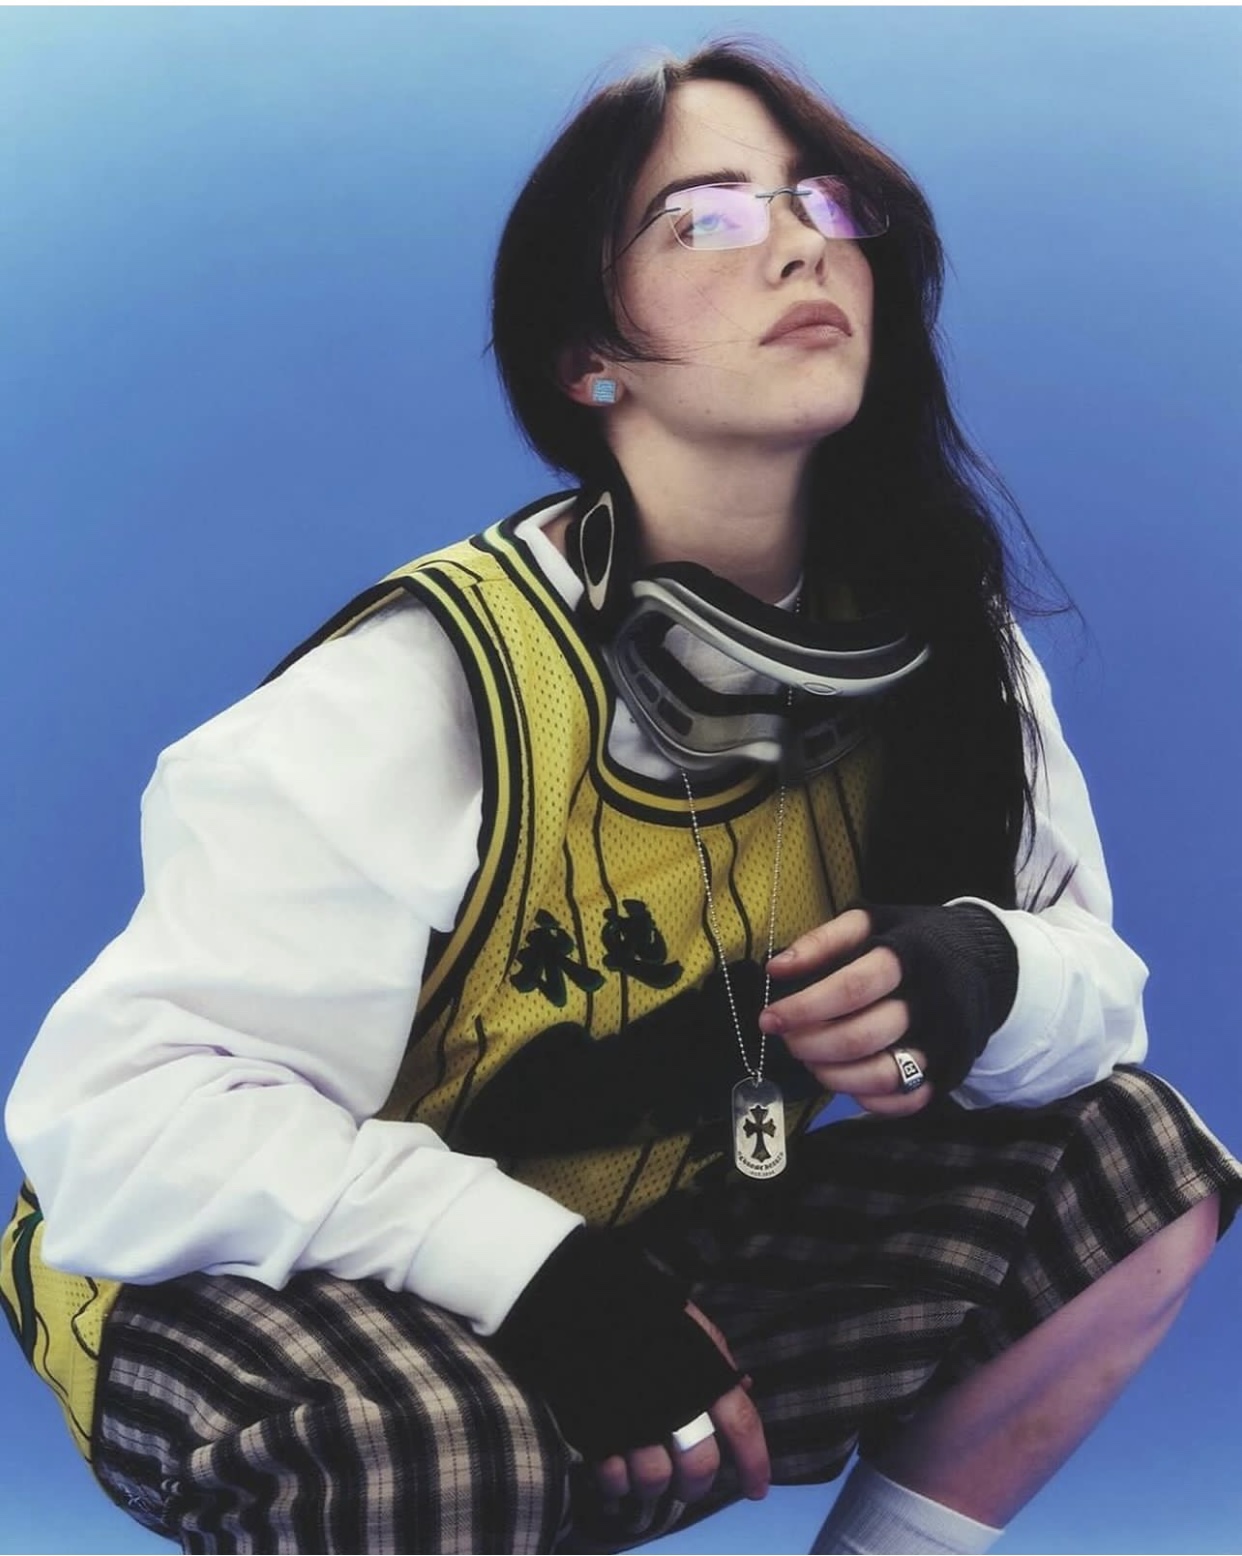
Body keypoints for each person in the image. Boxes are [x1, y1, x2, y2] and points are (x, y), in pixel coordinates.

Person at [3, 40, 1239, 1556]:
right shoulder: (420, 691)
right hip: (233, 1278)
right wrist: (538, 1282)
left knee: (1138, 1159)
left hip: (623, 1259)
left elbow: (1096, 1003)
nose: (799, 244)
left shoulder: (946, 655)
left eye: (824, 204)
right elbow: (122, 1121)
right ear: (591, 358)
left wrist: (984, 968)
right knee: (433, 1448)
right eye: (705, 217)